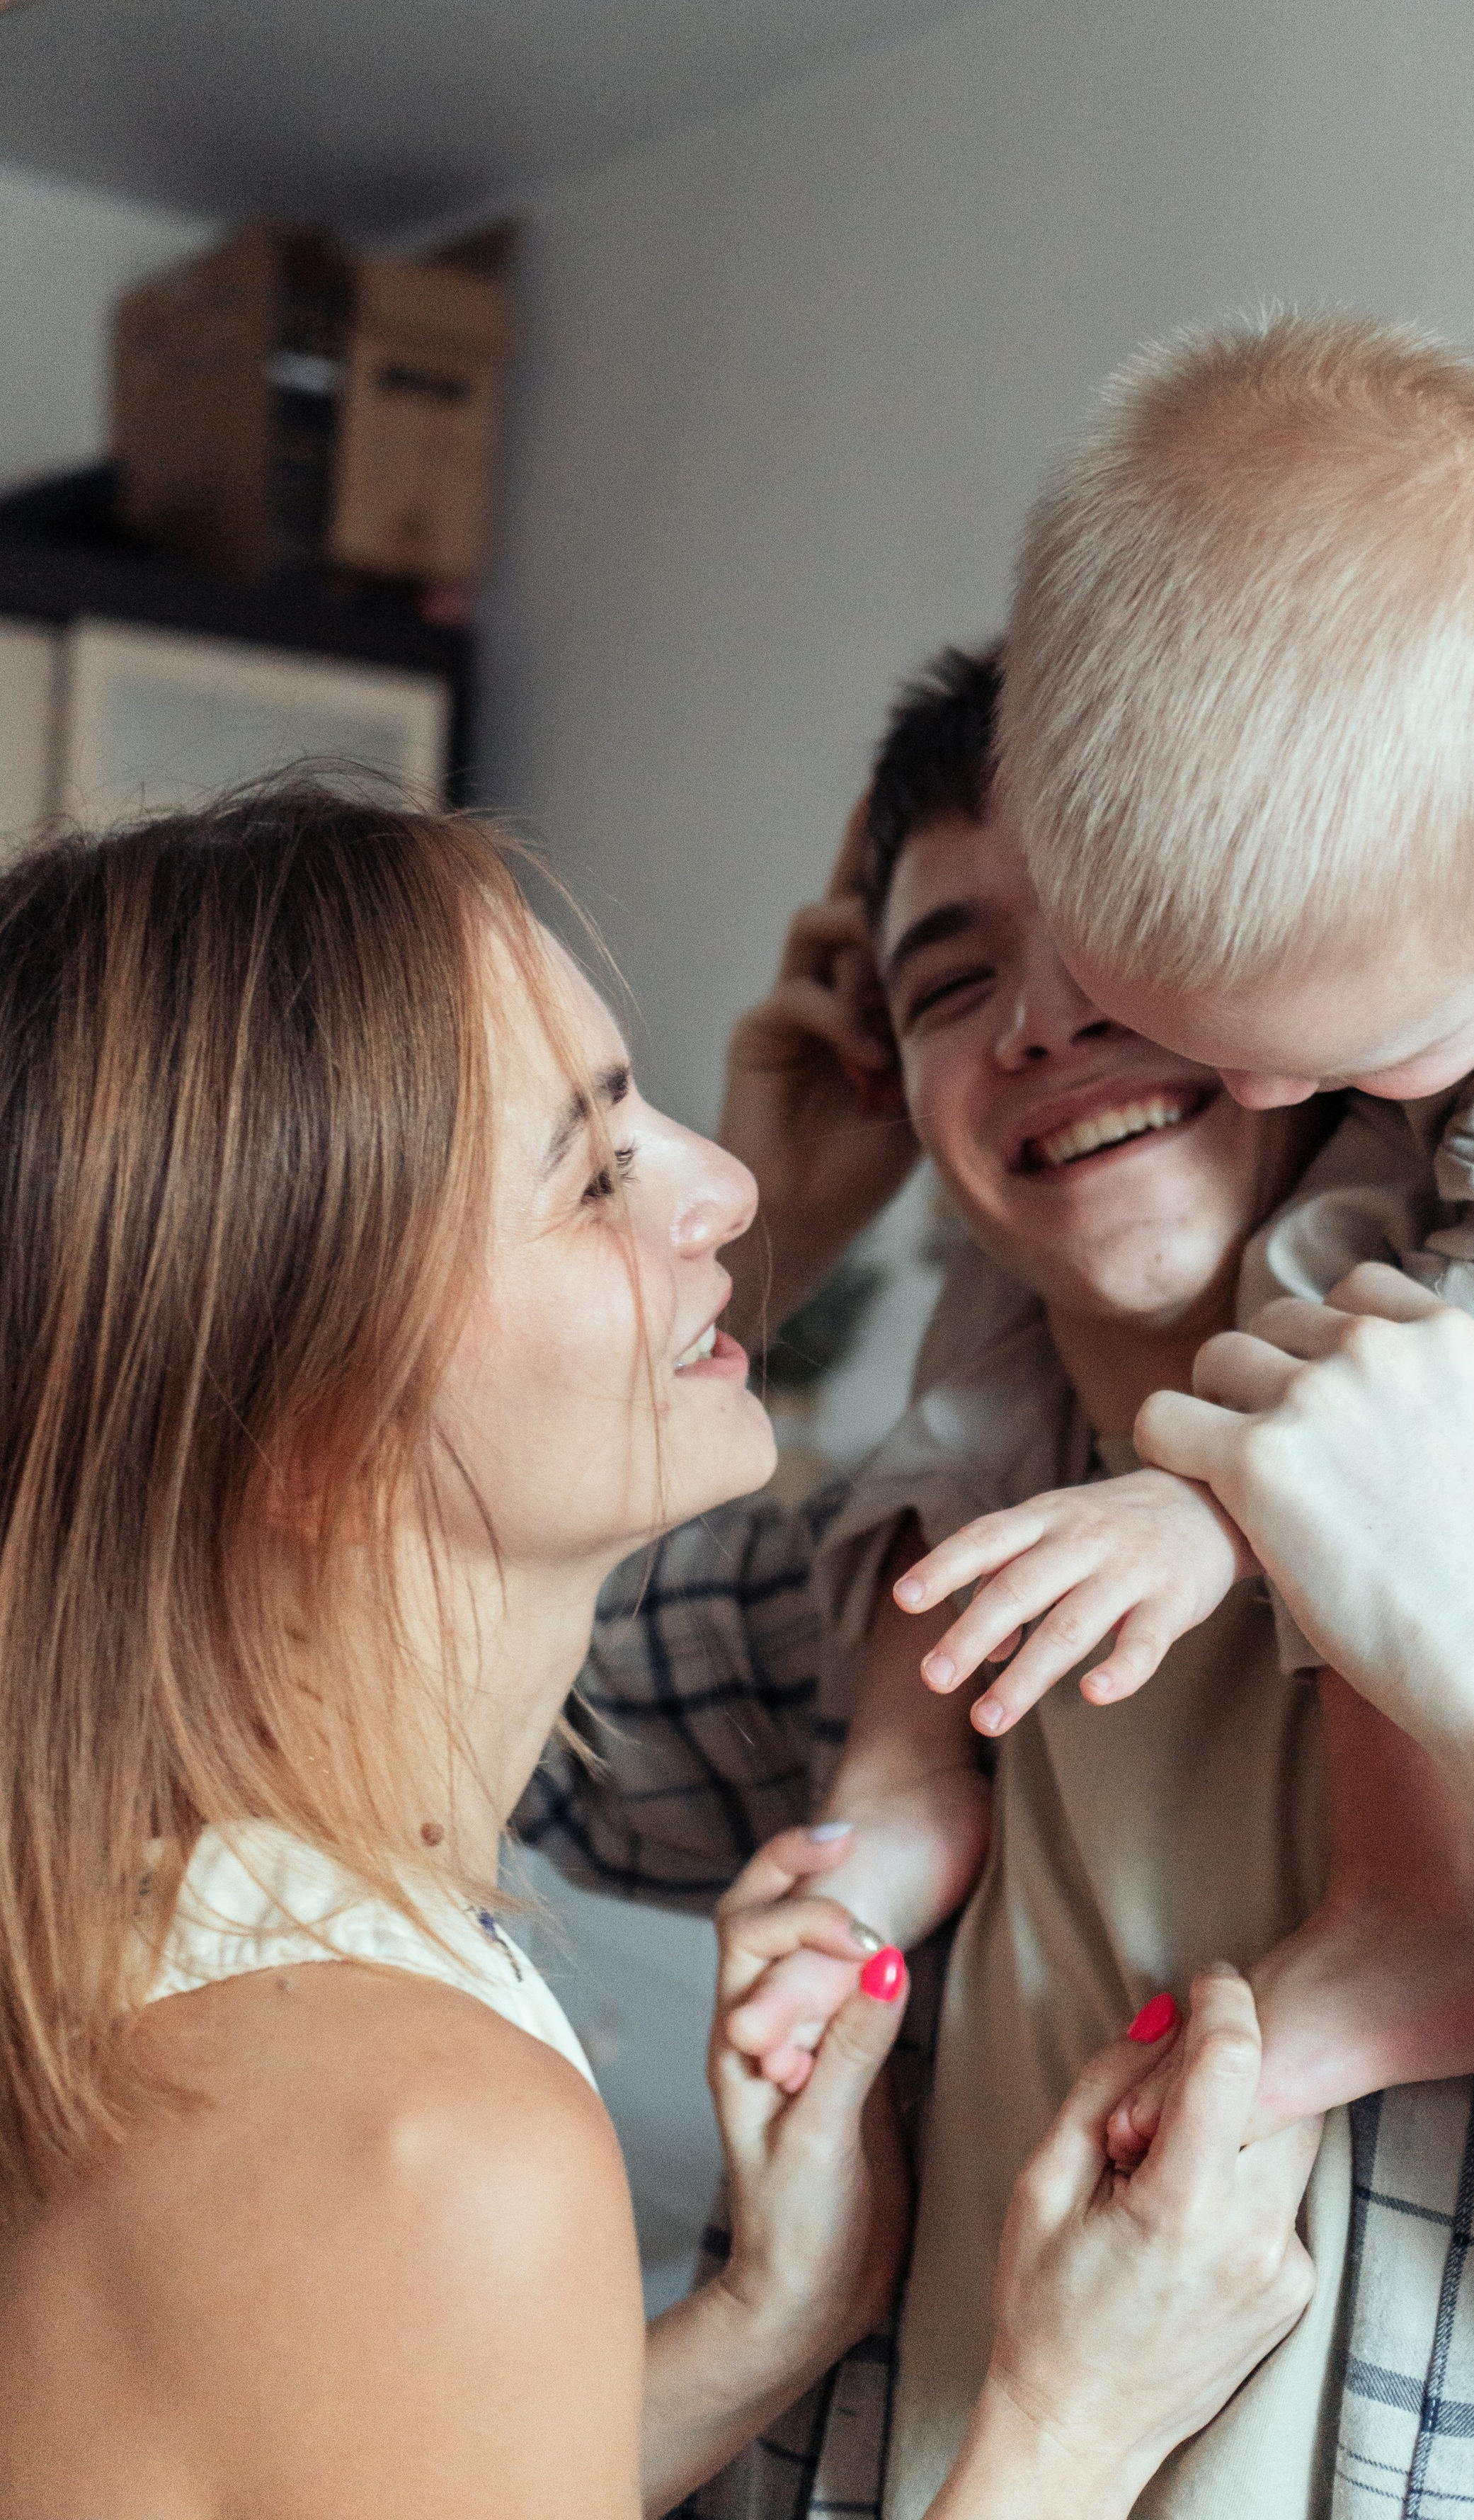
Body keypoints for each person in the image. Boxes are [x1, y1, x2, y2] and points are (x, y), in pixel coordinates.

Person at [525, 651, 1474, 2518]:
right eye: (954, 979)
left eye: (1127, 937)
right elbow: (327, 1697)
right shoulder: (889, 1599)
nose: (1045, 1021)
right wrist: (768, 1232)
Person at [0, 781, 1320, 2520]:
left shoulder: (143, 1940)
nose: (724, 1183)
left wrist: (772, 2321)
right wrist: (1067, 2423)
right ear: (310, 1442)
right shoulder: (431, 2151)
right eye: (594, 1171)